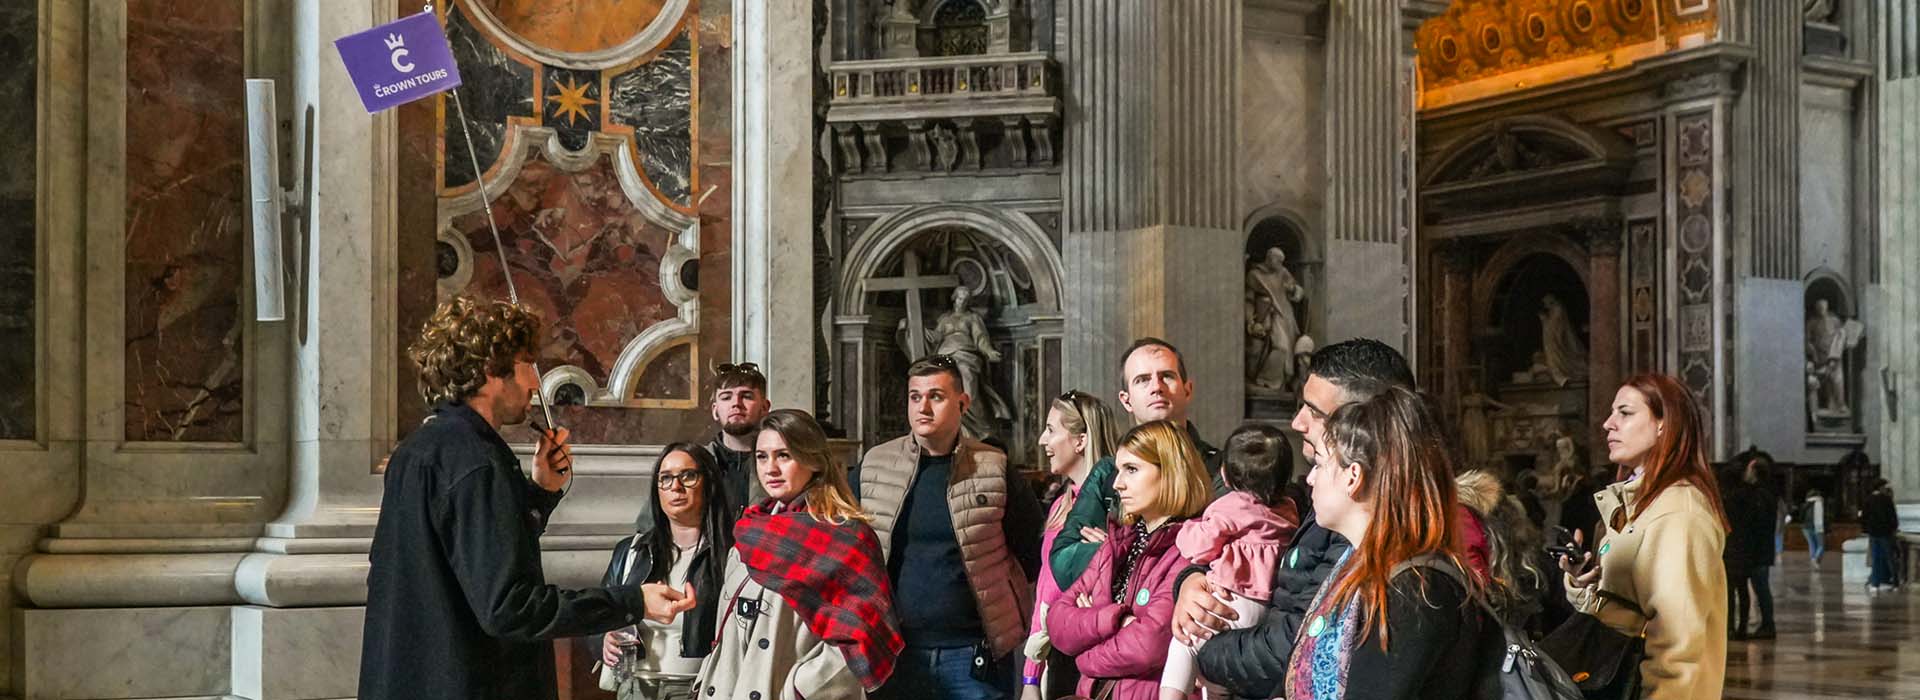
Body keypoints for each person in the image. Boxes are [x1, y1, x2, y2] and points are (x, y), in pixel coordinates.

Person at [359, 297, 695, 700]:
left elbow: (470, 561)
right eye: (526, 364)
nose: (536, 384)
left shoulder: (418, 449)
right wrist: (632, 601)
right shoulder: (477, 462)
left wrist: (539, 494)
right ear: (490, 369)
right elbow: (510, 607)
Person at [1169, 339, 1409, 699]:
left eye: (1313, 410)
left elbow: (1297, 640)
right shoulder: (1308, 498)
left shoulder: (1367, 522)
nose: (1297, 422)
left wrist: (1204, 653)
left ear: (1360, 422)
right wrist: (1191, 581)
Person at [855, 355, 1045, 700]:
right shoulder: (875, 466)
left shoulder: (994, 467)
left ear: (962, 402)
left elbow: (1032, 552)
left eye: (936, 396)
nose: (923, 407)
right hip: (895, 651)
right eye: (915, 397)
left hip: (973, 651)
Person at [1284, 386, 1490, 700]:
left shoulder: (1418, 589)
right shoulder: (1357, 564)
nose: (1310, 479)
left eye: (1320, 465)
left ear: (1353, 477)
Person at [691, 409, 903, 699]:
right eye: (762, 456)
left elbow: (861, 637)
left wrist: (802, 689)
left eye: (784, 456)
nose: (771, 468)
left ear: (813, 459)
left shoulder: (846, 537)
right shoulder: (749, 531)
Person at [1558, 373, 1730, 700]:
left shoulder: (1679, 514)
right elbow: (1635, 618)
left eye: (1625, 413)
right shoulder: (1640, 504)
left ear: (1664, 423)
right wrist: (1586, 586)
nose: (1608, 424)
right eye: (1612, 413)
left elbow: (1678, 646)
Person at [1047, 421, 1215, 700]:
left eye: (1132, 470)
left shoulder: (1194, 545)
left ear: (1171, 472)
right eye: (1119, 469)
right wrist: (1114, 618)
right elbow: (1057, 621)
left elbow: (1148, 645)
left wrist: (1083, 654)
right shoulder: (1119, 543)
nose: (1117, 483)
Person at [1051, 338, 1225, 592]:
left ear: (1187, 390)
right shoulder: (1108, 473)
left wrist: (1113, 547)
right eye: (1142, 379)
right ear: (1126, 400)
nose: (1156, 387)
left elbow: (1219, 556)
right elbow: (1063, 563)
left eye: (1167, 376)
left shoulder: (1220, 469)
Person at [1159, 424, 1300, 700]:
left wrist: (1184, 529)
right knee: (1222, 671)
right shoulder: (1289, 509)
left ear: (1225, 474)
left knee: (1185, 643)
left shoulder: (1231, 506)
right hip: (1267, 610)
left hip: (1233, 599)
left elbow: (1200, 548)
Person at [598, 445, 735, 699]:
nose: (676, 486)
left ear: (709, 483)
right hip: (636, 687)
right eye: (666, 478)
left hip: (702, 687)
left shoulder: (732, 554)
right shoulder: (632, 551)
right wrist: (603, 640)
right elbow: (597, 612)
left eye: (688, 476)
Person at [1021, 391, 1120, 700]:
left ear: (1080, 440)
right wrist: (1030, 676)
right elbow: (1044, 595)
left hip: (1100, 654)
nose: (1041, 440)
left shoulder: (1116, 504)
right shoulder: (1060, 507)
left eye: (1051, 430)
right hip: (1059, 652)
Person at [706, 361, 773, 516]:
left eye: (746, 396)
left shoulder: (782, 465)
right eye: (726, 397)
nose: (736, 404)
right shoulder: (695, 463)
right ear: (715, 410)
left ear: (764, 407)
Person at [1862, 478, 1901, 592]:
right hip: (1885, 533)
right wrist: (1893, 528)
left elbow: (1864, 517)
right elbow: (1892, 516)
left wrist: (1867, 530)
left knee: (1876, 558)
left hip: (1873, 533)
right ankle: (1895, 582)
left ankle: (1875, 583)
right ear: (1881, 487)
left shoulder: (1868, 499)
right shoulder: (1886, 500)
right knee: (1890, 557)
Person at [1794, 488, 1828, 565]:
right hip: (1818, 527)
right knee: (1821, 545)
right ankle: (1816, 559)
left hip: (1805, 527)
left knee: (1812, 544)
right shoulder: (1821, 503)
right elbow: (1825, 517)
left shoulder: (1805, 505)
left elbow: (1800, 517)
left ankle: (1813, 558)